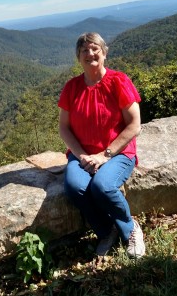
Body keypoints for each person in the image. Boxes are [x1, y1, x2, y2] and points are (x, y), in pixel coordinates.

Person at [58, 32, 145, 258]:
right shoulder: (72, 88)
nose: (90, 53)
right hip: (83, 155)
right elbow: (64, 128)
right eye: (84, 50)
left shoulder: (118, 81)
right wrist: (82, 155)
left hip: (117, 152)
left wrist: (104, 155)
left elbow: (134, 124)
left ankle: (130, 228)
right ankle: (106, 231)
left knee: (102, 186)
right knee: (74, 187)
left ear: (104, 52)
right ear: (78, 57)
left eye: (95, 48)